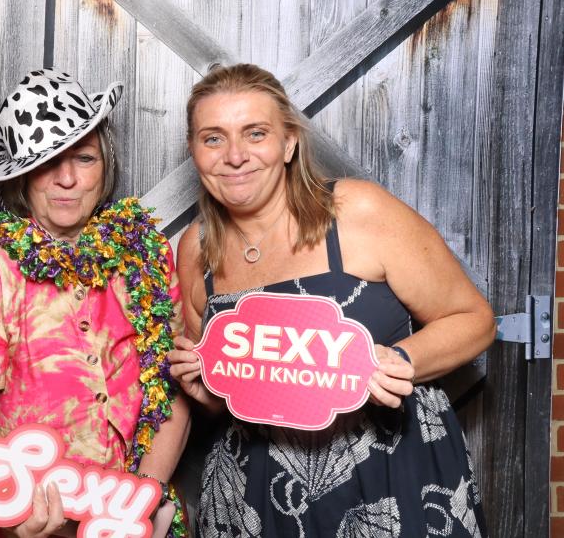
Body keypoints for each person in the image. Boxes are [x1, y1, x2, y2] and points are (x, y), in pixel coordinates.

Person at [167, 64, 494, 537]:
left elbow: (475, 319)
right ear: (194, 150)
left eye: (255, 133)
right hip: (254, 496)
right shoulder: (197, 248)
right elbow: (227, 390)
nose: (235, 156)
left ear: (288, 143)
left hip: (387, 479)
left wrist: (400, 361)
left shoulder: (355, 212)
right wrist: (204, 393)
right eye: (213, 138)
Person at [0, 69, 190, 538]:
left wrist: (143, 500)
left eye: (84, 158)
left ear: (105, 165)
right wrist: (11, 514)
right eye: (47, 161)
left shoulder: (148, 261)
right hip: (24, 521)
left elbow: (172, 391)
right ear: (20, 177)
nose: (67, 179)